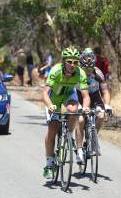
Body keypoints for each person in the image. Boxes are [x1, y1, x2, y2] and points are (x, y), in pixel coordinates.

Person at [42, 46, 90, 179]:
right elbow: (45, 93)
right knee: (52, 128)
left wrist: (85, 107)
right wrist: (50, 105)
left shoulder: (80, 72)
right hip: (53, 99)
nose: (73, 65)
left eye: (75, 62)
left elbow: (85, 96)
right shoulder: (56, 70)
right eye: (70, 61)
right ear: (64, 61)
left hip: (69, 96)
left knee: (74, 110)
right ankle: (49, 162)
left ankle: (68, 135)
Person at [75, 48, 112, 163]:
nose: (88, 70)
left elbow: (105, 91)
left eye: (90, 68)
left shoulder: (98, 73)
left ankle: (93, 139)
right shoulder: (76, 73)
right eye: (85, 68)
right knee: (80, 120)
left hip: (95, 96)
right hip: (79, 96)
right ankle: (79, 148)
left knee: (101, 116)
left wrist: (107, 105)